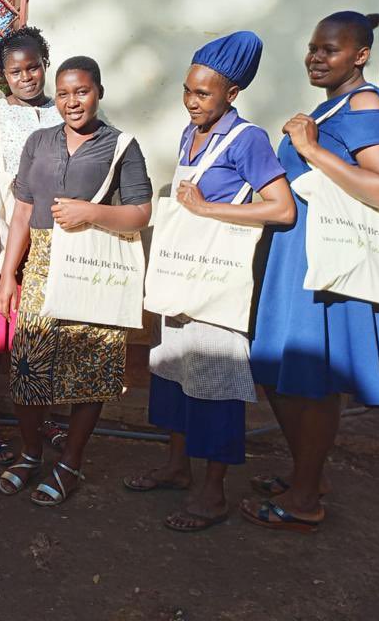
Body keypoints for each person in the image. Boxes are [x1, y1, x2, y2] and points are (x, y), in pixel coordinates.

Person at [122, 32, 296, 532]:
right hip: (182, 279)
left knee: (216, 388)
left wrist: (206, 208)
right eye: (187, 90)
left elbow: (281, 209)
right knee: (175, 376)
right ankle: (177, 469)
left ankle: (212, 493)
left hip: (215, 289)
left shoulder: (249, 140)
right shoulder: (190, 132)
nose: (191, 101)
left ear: (232, 94)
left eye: (203, 94)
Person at [242, 12, 379, 533]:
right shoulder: (331, 104)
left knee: (309, 381)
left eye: (329, 50)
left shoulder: (367, 104)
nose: (315, 57)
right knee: (280, 372)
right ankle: (307, 475)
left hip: (327, 262)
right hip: (296, 255)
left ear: (360, 55)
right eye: (312, 48)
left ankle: (306, 497)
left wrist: (310, 149)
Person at [0, 55, 153, 505]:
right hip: (43, 262)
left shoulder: (121, 146)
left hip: (93, 265)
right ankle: (30, 455)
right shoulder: (39, 141)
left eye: (81, 91)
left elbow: (140, 213)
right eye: (63, 93)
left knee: (91, 365)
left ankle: (70, 464)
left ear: (98, 92)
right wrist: (9, 275)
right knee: (28, 364)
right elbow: (23, 211)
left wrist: (92, 213)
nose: (71, 102)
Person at [0, 26, 63, 465]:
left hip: (50, 232)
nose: (26, 77)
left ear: (45, 65)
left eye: (33, 68)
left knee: (41, 329)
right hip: (0, 232)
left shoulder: (63, 113)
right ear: (3, 75)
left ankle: (41, 417)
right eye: (15, 71)